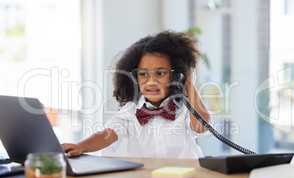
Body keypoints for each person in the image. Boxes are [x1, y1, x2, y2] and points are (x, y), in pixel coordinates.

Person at [63, 31, 210, 159]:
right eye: (143, 74)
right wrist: (80, 146)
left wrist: (188, 82)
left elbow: (201, 127)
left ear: (176, 76)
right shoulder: (130, 112)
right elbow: (106, 135)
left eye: (160, 73)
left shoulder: (184, 110)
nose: (151, 81)